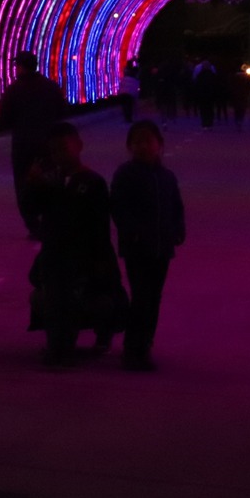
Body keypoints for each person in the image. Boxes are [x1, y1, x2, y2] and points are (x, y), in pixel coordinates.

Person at [25, 122, 127, 366]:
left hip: (83, 255)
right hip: (56, 254)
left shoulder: (91, 182)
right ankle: (58, 345)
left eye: (63, 148)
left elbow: (97, 225)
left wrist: (99, 260)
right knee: (53, 298)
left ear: (78, 146)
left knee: (78, 299)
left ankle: (70, 345)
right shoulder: (53, 180)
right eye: (54, 150)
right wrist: (33, 185)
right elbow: (36, 210)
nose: (58, 155)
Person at [109, 120, 185, 371]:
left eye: (147, 141)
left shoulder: (166, 177)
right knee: (142, 297)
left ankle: (144, 345)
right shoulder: (125, 174)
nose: (142, 146)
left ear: (159, 145)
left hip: (162, 248)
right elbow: (119, 208)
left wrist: (178, 230)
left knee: (153, 298)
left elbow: (176, 206)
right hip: (138, 249)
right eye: (137, 141)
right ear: (129, 146)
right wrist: (132, 233)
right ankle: (134, 348)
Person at [0, 49, 66, 236]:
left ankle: (33, 224)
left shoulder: (14, 90)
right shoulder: (50, 87)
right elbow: (62, 110)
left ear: (20, 67)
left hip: (23, 144)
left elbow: (3, 119)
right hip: (49, 142)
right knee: (51, 179)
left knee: (24, 183)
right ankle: (51, 219)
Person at [192, 57, 222, 128]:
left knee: (203, 109)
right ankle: (209, 122)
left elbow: (196, 83)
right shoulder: (213, 75)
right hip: (210, 95)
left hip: (203, 95)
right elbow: (216, 85)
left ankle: (204, 123)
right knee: (210, 109)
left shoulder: (200, 75)